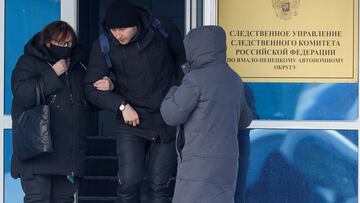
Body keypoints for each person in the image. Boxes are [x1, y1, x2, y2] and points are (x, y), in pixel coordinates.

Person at [84, 0, 186, 202]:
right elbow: (90, 89)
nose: (117, 34)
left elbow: (183, 62)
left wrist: (179, 99)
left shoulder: (162, 29)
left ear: (136, 24)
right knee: (129, 183)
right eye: (113, 29)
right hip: (131, 121)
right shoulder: (103, 45)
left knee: (160, 185)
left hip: (166, 120)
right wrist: (121, 105)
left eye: (122, 29)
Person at [10, 21, 112, 203]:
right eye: (60, 43)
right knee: (37, 199)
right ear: (47, 42)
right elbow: (22, 94)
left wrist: (109, 86)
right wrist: (52, 73)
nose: (65, 48)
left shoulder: (79, 65)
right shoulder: (29, 61)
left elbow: (90, 99)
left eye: (69, 44)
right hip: (37, 152)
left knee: (64, 199)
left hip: (68, 154)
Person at [160, 26, 253, 203]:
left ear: (194, 49)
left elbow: (171, 115)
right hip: (226, 165)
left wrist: (172, 91)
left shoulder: (195, 79)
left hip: (199, 164)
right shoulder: (234, 79)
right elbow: (245, 120)